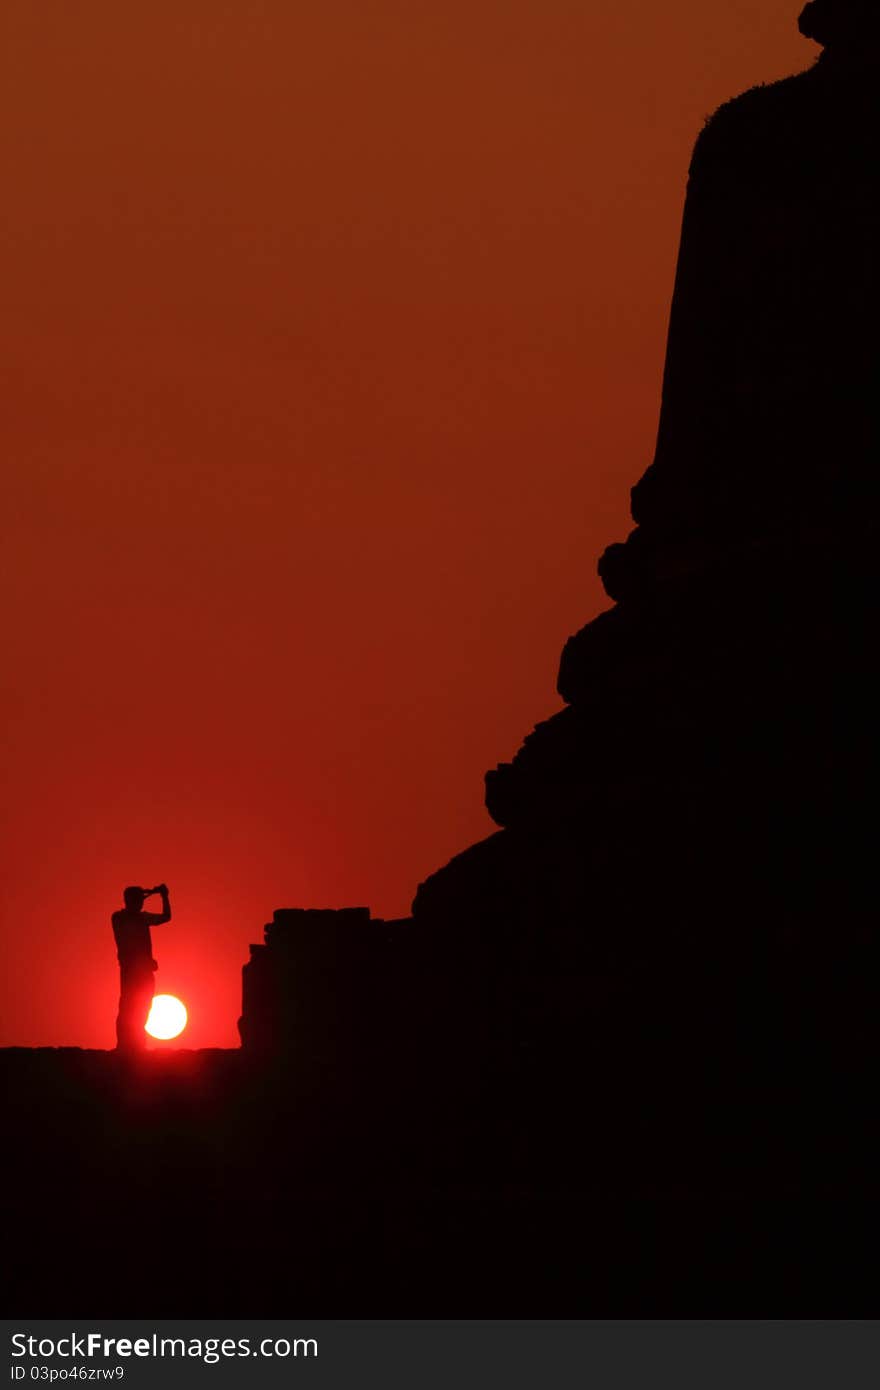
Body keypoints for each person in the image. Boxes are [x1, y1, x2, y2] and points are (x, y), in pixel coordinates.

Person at [111, 883, 171, 1052]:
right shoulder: (119, 917)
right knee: (128, 1006)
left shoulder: (140, 917)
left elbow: (166, 917)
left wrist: (162, 896)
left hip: (144, 971)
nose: (140, 903)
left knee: (143, 1006)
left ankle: (137, 1044)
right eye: (138, 900)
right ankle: (124, 1045)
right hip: (131, 971)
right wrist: (154, 893)